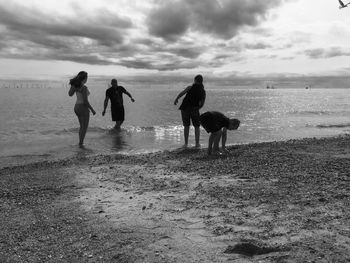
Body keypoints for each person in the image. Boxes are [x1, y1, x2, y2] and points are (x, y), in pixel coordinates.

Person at [174, 75, 206, 148]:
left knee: (186, 126)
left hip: (185, 108)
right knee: (197, 126)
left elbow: (182, 93)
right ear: (201, 81)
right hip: (194, 109)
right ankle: (197, 144)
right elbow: (202, 103)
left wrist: (176, 99)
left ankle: (186, 144)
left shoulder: (190, 87)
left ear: (195, 80)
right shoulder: (202, 91)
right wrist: (197, 108)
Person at [68, 71, 96, 148]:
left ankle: (80, 143)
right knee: (84, 127)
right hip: (83, 107)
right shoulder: (84, 87)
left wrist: (74, 86)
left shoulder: (76, 85)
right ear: (85, 78)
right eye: (87, 78)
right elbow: (85, 101)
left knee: (81, 127)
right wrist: (92, 110)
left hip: (76, 107)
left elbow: (70, 94)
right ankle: (81, 144)